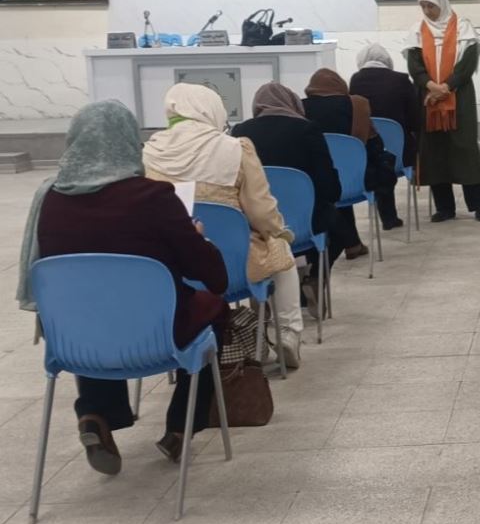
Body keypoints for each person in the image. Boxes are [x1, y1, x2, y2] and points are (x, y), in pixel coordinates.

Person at [18, 102, 231, 475]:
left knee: (92, 307)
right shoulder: (154, 198)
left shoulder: (50, 199)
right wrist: (198, 238)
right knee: (213, 308)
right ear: (131, 141)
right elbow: (215, 278)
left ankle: (95, 413)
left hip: (73, 337)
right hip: (154, 333)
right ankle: (180, 426)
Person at [144, 84, 304, 377]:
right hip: (235, 265)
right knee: (280, 250)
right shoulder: (235, 148)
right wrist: (277, 231)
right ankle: (288, 334)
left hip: (176, 266)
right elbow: (260, 210)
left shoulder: (151, 151)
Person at [232, 83, 342, 313]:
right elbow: (329, 185)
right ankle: (314, 277)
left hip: (258, 226)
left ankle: (262, 290)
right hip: (305, 223)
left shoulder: (240, 132)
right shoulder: (307, 129)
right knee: (338, 225)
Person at [406, 0, 480, 223]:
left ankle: (479, 205)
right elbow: (414, 65)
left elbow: (467, 64)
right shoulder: (417, 31)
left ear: (441, 3)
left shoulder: (463, 28)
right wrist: (431, 86)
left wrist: (446, 86)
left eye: (431, 6)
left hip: (459, 98)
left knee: (465, 149)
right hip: (429, 99)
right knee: (435, 152)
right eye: (423, 6)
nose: (427, 11)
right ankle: (445, 207)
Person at [303, 68, 396, 258]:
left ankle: (349, 243)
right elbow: (375, 145)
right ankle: (352, 243)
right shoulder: (357, 105)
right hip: (357, 179)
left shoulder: (300, 107)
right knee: (342, 176)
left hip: (320, 184)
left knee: (330, 180)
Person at [350, 42, 420, 230]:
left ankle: (387, 216)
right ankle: (391, 216)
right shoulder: (401, 80)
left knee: (378, 156)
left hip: (370, 154)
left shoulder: (356, 80)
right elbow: (415, 119)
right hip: (401, 153)